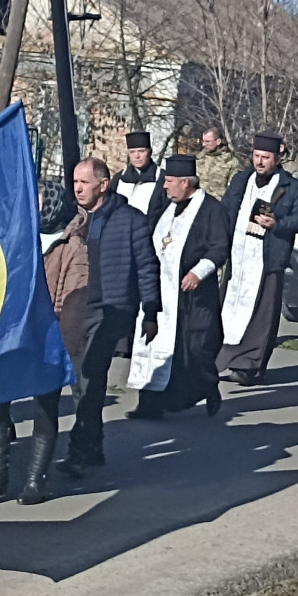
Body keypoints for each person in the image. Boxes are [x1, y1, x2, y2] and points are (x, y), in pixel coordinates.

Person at [0, 179, 85, 505]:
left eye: (35, 199)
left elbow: (75, 298)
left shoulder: (71, 245)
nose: (28, 205)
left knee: (45, 410)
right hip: (10, 334)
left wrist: (66, 343)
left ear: (49, 202)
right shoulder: (16, 237)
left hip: (47, 338)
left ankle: (36, 480)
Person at [58, 159, 161, 478]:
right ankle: (94, 443)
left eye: (84, 182)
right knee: (80, 382)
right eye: (75, 181)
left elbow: (146, 266)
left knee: (90, 378)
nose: (77, 188)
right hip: (76, 311)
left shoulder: (130, 220)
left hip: (109, 312)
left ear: (103, 185)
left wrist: (151, 311)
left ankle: (79, 449)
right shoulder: (71, 220)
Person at [127, 155, 230, 419]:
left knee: (194, 352)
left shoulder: (211, 210)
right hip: (161, 294)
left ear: (186, 182)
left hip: (193, 297)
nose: (165, 186)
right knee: (153, 345)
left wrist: (199, 271)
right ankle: (149, 406)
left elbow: (220, 247)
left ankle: (208, 386)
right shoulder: (168, 206)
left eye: (170, 181)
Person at [217, 131, 298, 386]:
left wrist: (277, 223)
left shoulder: (291, 187)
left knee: (261, 316)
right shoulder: (241, 180)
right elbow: (226, 210)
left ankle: (249, 367)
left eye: (265, 157)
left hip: (268, 259)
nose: (259, 162)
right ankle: (220, 357)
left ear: (277, 158)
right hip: (238, 257)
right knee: (229, 307)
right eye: (257, 156)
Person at [108, 131, 167, 229]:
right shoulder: (119, 178)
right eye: (132, 152)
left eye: (141, 151)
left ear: (150, 152)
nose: (137, 156)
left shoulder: (162, 178)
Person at [196, 125, 242, 201]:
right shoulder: (198, 159)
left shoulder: (230, 162)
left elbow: (233, 191)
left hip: (218, 204)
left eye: (207, 141)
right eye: (203, 141)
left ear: (218, 142)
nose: (204, 144)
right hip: (197, 203)